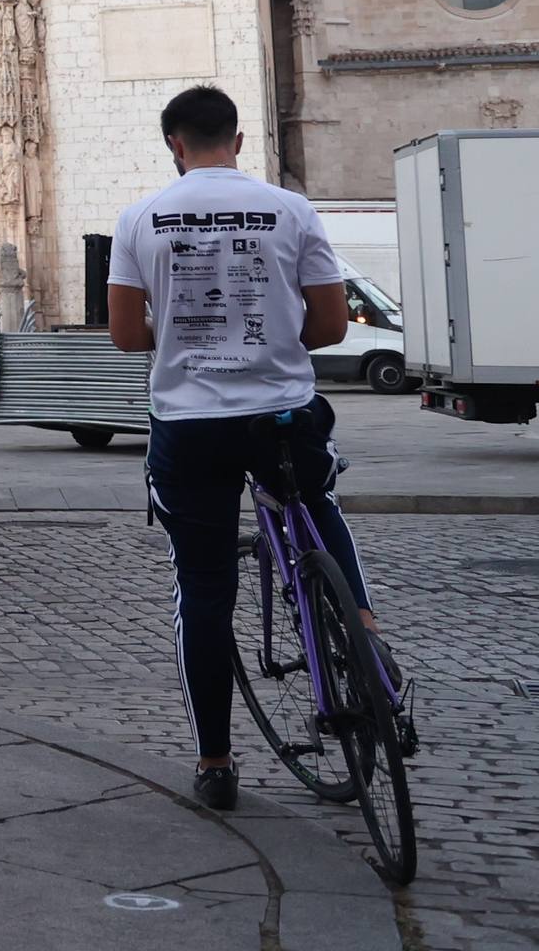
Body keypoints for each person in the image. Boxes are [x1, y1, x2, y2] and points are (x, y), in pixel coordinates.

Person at [109, 84, 384, 814]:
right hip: (281, 414)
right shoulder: (291, 209)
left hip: (190, 422)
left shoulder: (140, 217)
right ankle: (363, 630)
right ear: (238, 138)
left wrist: (188, 340)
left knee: (201, 590)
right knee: (317, 501)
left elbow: (127, 337)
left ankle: (216, 762)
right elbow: (330, 328)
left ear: (175, 143)